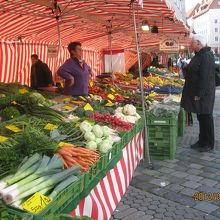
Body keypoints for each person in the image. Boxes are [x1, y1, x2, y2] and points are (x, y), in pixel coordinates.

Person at [181, 34, 216, 152]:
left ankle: (209, 143)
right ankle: (202, 140)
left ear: (198, 43)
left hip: (204, 95)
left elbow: (204, 77)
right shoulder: (199, 55)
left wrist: (199, 94)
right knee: (201, 117)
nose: (191, 45)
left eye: (192, 43)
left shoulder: (206, 55)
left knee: (206, 117)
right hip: (199, 93)